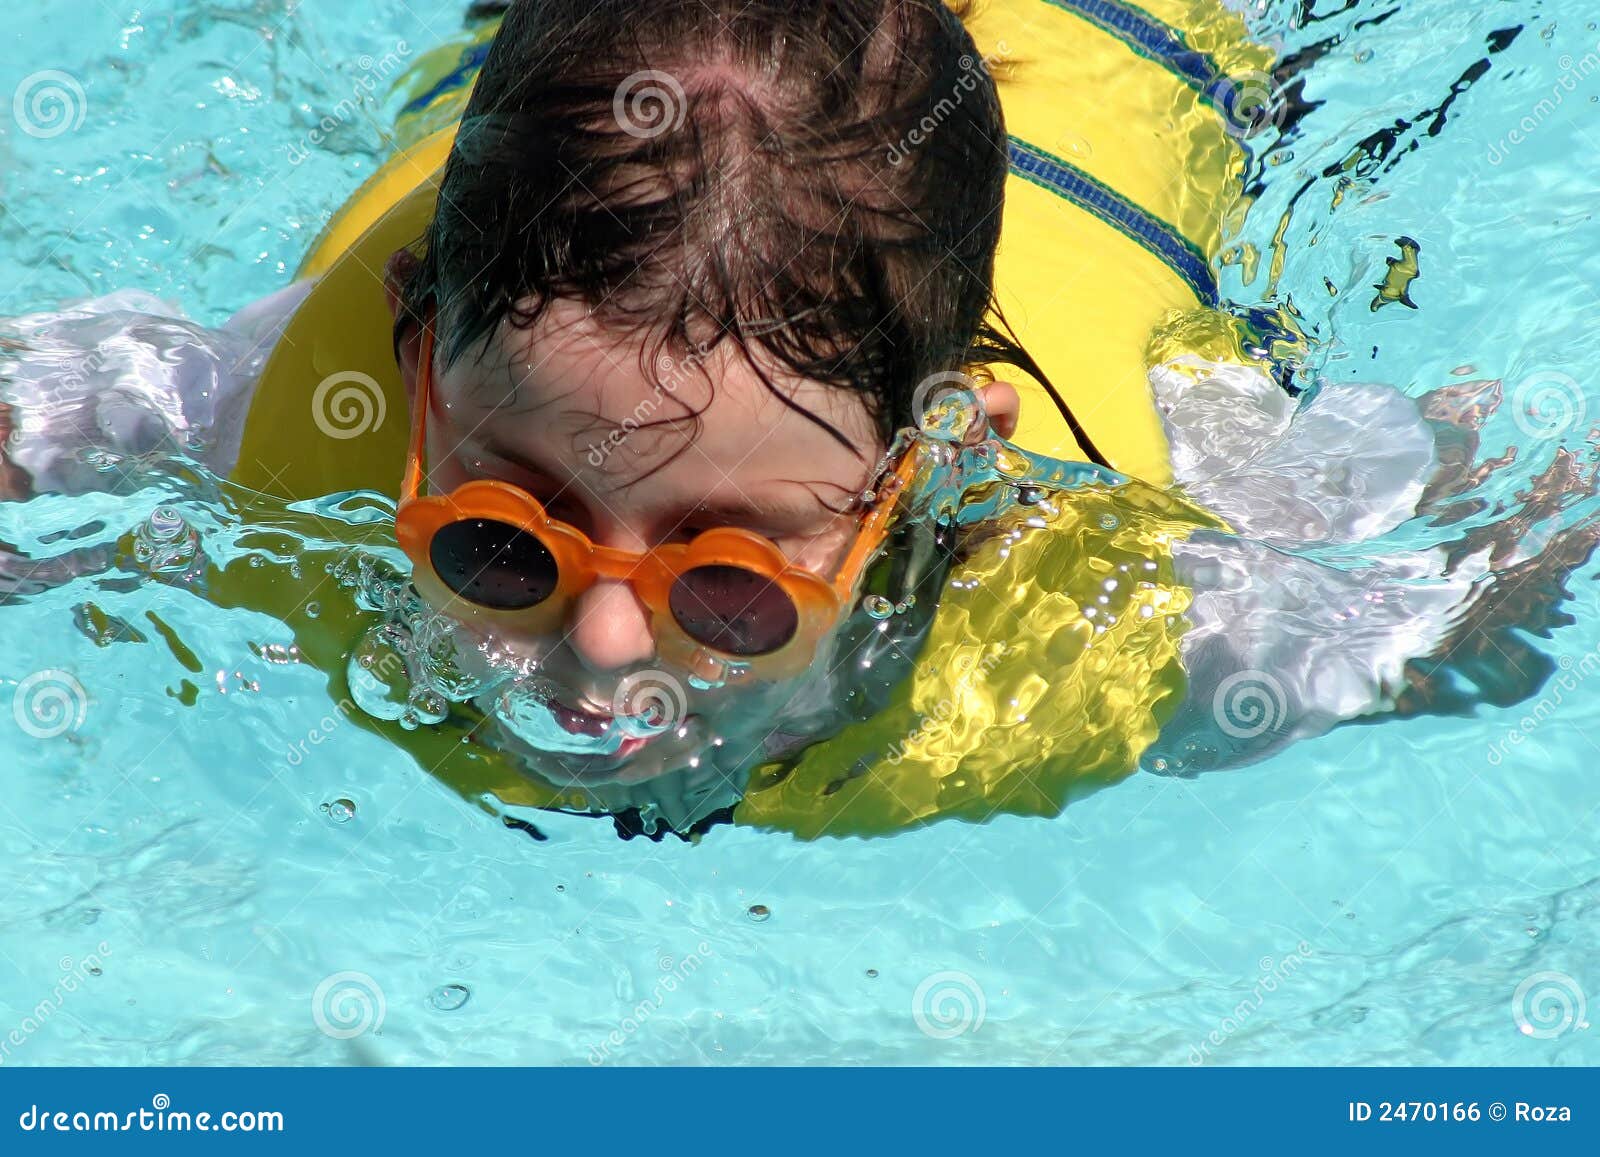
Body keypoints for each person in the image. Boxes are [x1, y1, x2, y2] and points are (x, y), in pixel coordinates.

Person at [2, 0, 1594, 839]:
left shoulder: (1120, 603)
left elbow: (1451, 595)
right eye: (502, 542)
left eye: (728, 583)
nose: (602, 652)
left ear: (930, 457)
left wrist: (1490, 540)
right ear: (423, 368)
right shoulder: (287, 403)